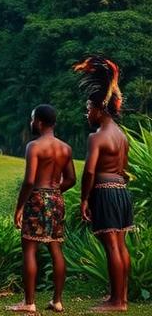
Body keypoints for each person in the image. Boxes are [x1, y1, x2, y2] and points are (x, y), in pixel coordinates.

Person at [75, 56, 133, 313]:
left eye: (89, 108)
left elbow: (89, 170)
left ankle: (117, 302)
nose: (87, 113)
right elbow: (124, 169)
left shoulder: (97, 137)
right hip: (121, 191)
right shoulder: (121, 136)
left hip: (106, 192)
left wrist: (84, 198)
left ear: (100, 108)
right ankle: (121, 297)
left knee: (112, 246)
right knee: (120, 244)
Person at [8, 104, 76, 314]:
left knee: (29, 248)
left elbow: (29, 181)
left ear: (38, 121)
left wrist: (19, 207)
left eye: (32, 119)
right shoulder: (65, 148)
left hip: (37, 196)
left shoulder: (34, 146)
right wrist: (54, 193)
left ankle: (29, 302)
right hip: (56, 198)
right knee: (56, 247)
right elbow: (72, 179)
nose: (31, 123)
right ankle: (57, 301)